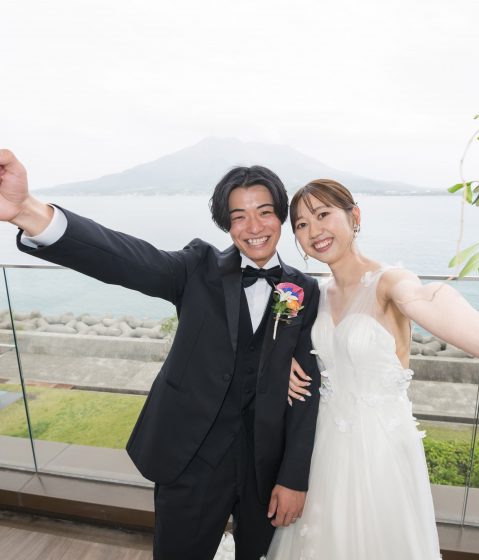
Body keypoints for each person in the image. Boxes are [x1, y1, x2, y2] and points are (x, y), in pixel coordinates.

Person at [0, 149, 321, 560]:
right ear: (226, 224)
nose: (254, 227)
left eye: (264, 212)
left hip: (265, 467)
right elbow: (125, 258)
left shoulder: (303, 290)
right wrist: (27, 210)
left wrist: (293, 478)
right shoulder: (198, 267)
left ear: (280, 217)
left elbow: (306, 391)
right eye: (239, 216)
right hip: (190, 458)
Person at [266, 179, 479, 560]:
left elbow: (426, 299)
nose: (314, 231)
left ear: (355, 216)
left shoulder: (389, 282)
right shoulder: (312, 293)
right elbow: (280, 340)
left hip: (379, 453)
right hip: (323, 450)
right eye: (302, 225)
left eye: (323, 215)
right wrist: (281, 360)